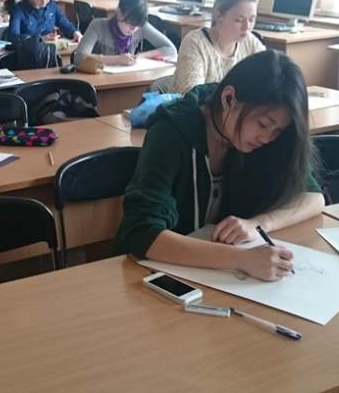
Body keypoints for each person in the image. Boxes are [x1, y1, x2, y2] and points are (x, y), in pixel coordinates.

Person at [114, 50, 324, 281]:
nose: (267, 138)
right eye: (263, 124)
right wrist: (242, 259)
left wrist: (259, 224)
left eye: (277, 131)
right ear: (228, 98)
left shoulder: (267, 141)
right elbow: (141, 233)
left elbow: (313, 198)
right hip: (158, 277)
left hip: (220, 279)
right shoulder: (170, 132)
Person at [171, 0, 265, 94]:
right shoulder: (195, 43)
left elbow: (269, 79)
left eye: (252, 20)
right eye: (239, 20)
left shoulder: (251, 43)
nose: (247, 27)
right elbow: (191, 96)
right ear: (219, 16)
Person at [73, 0, 176, 66]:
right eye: (130, 24)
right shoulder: (98, 25)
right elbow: (78, 57)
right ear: (119, 13)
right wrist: (116, 59)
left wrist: (140, 56)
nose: (133, 29)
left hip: (126, 78)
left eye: (137, 26)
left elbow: (171, 50)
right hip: (98, 79)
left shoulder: (141, 26)